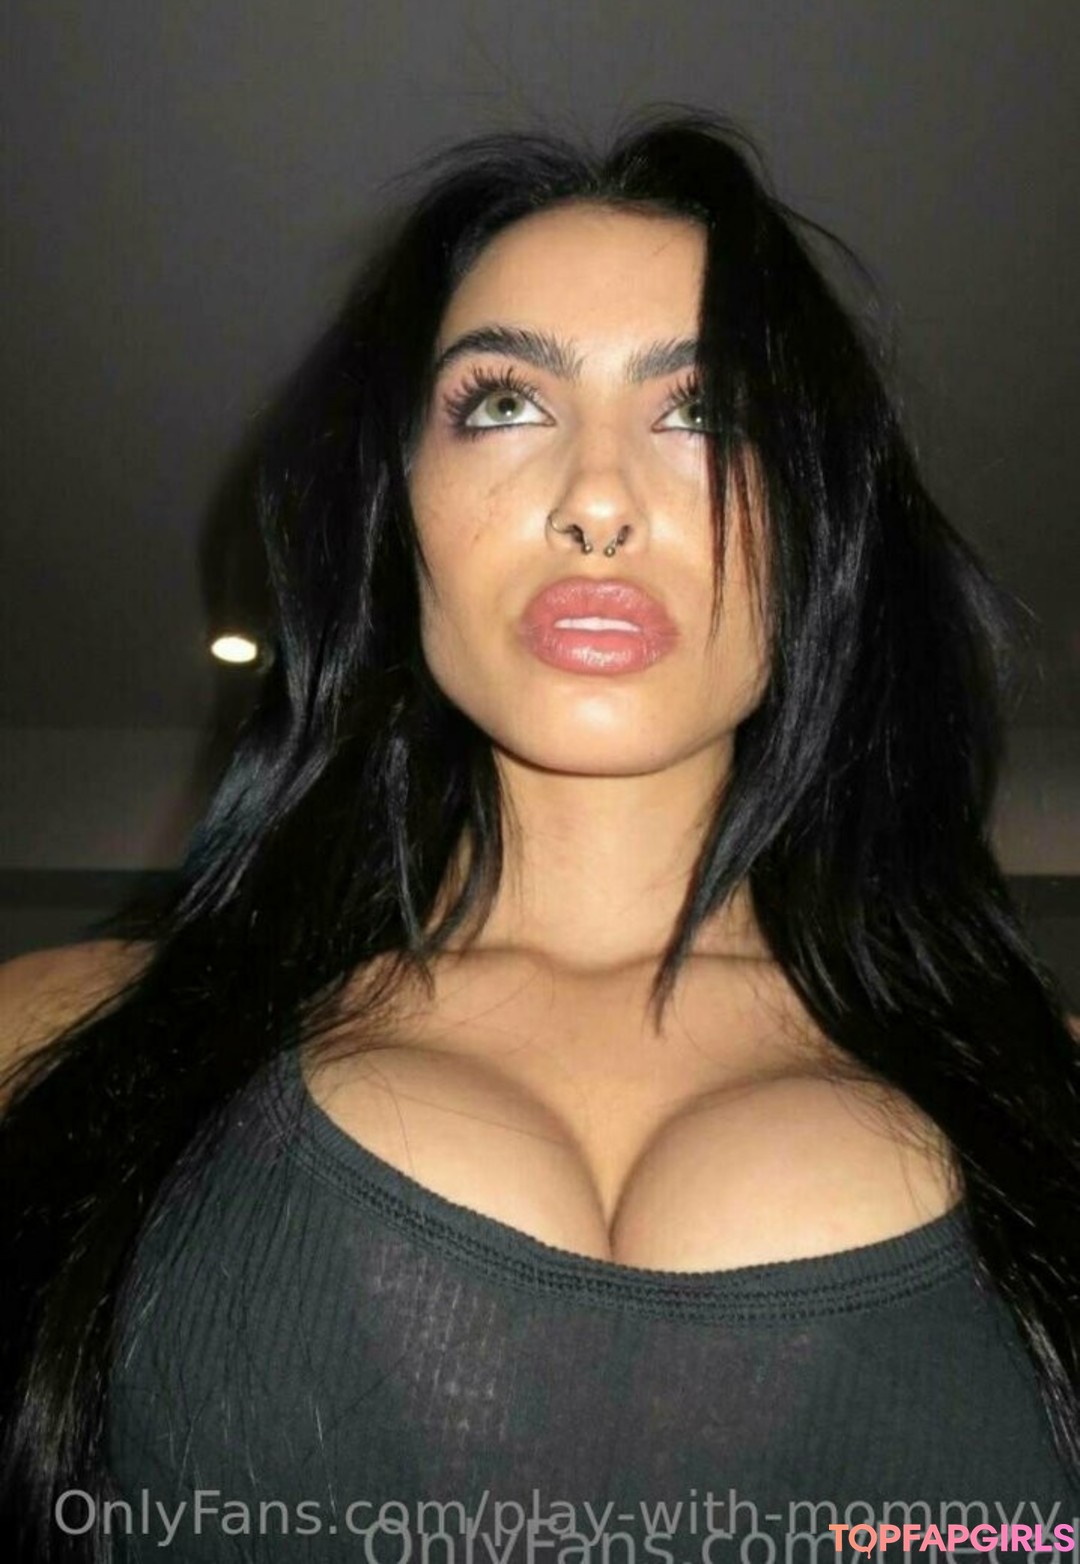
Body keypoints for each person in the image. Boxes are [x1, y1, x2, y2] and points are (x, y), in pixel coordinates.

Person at [1, 109, 1079, 1562]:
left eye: (707, 413)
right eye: (505, 403)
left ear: (822, 530)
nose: (596, 501)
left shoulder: (1051, 1090)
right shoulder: (54, 1044)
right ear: (399, 513)